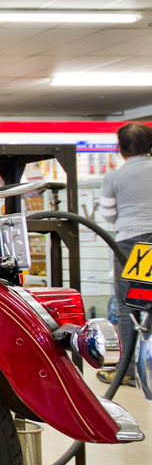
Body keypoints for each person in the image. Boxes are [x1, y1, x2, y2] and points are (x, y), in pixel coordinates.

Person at [99, 121, 152, 358]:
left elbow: (108, 214)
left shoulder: (114, 177)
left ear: (120, 147)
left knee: (128, 306)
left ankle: (128, 369)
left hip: (131, 244)